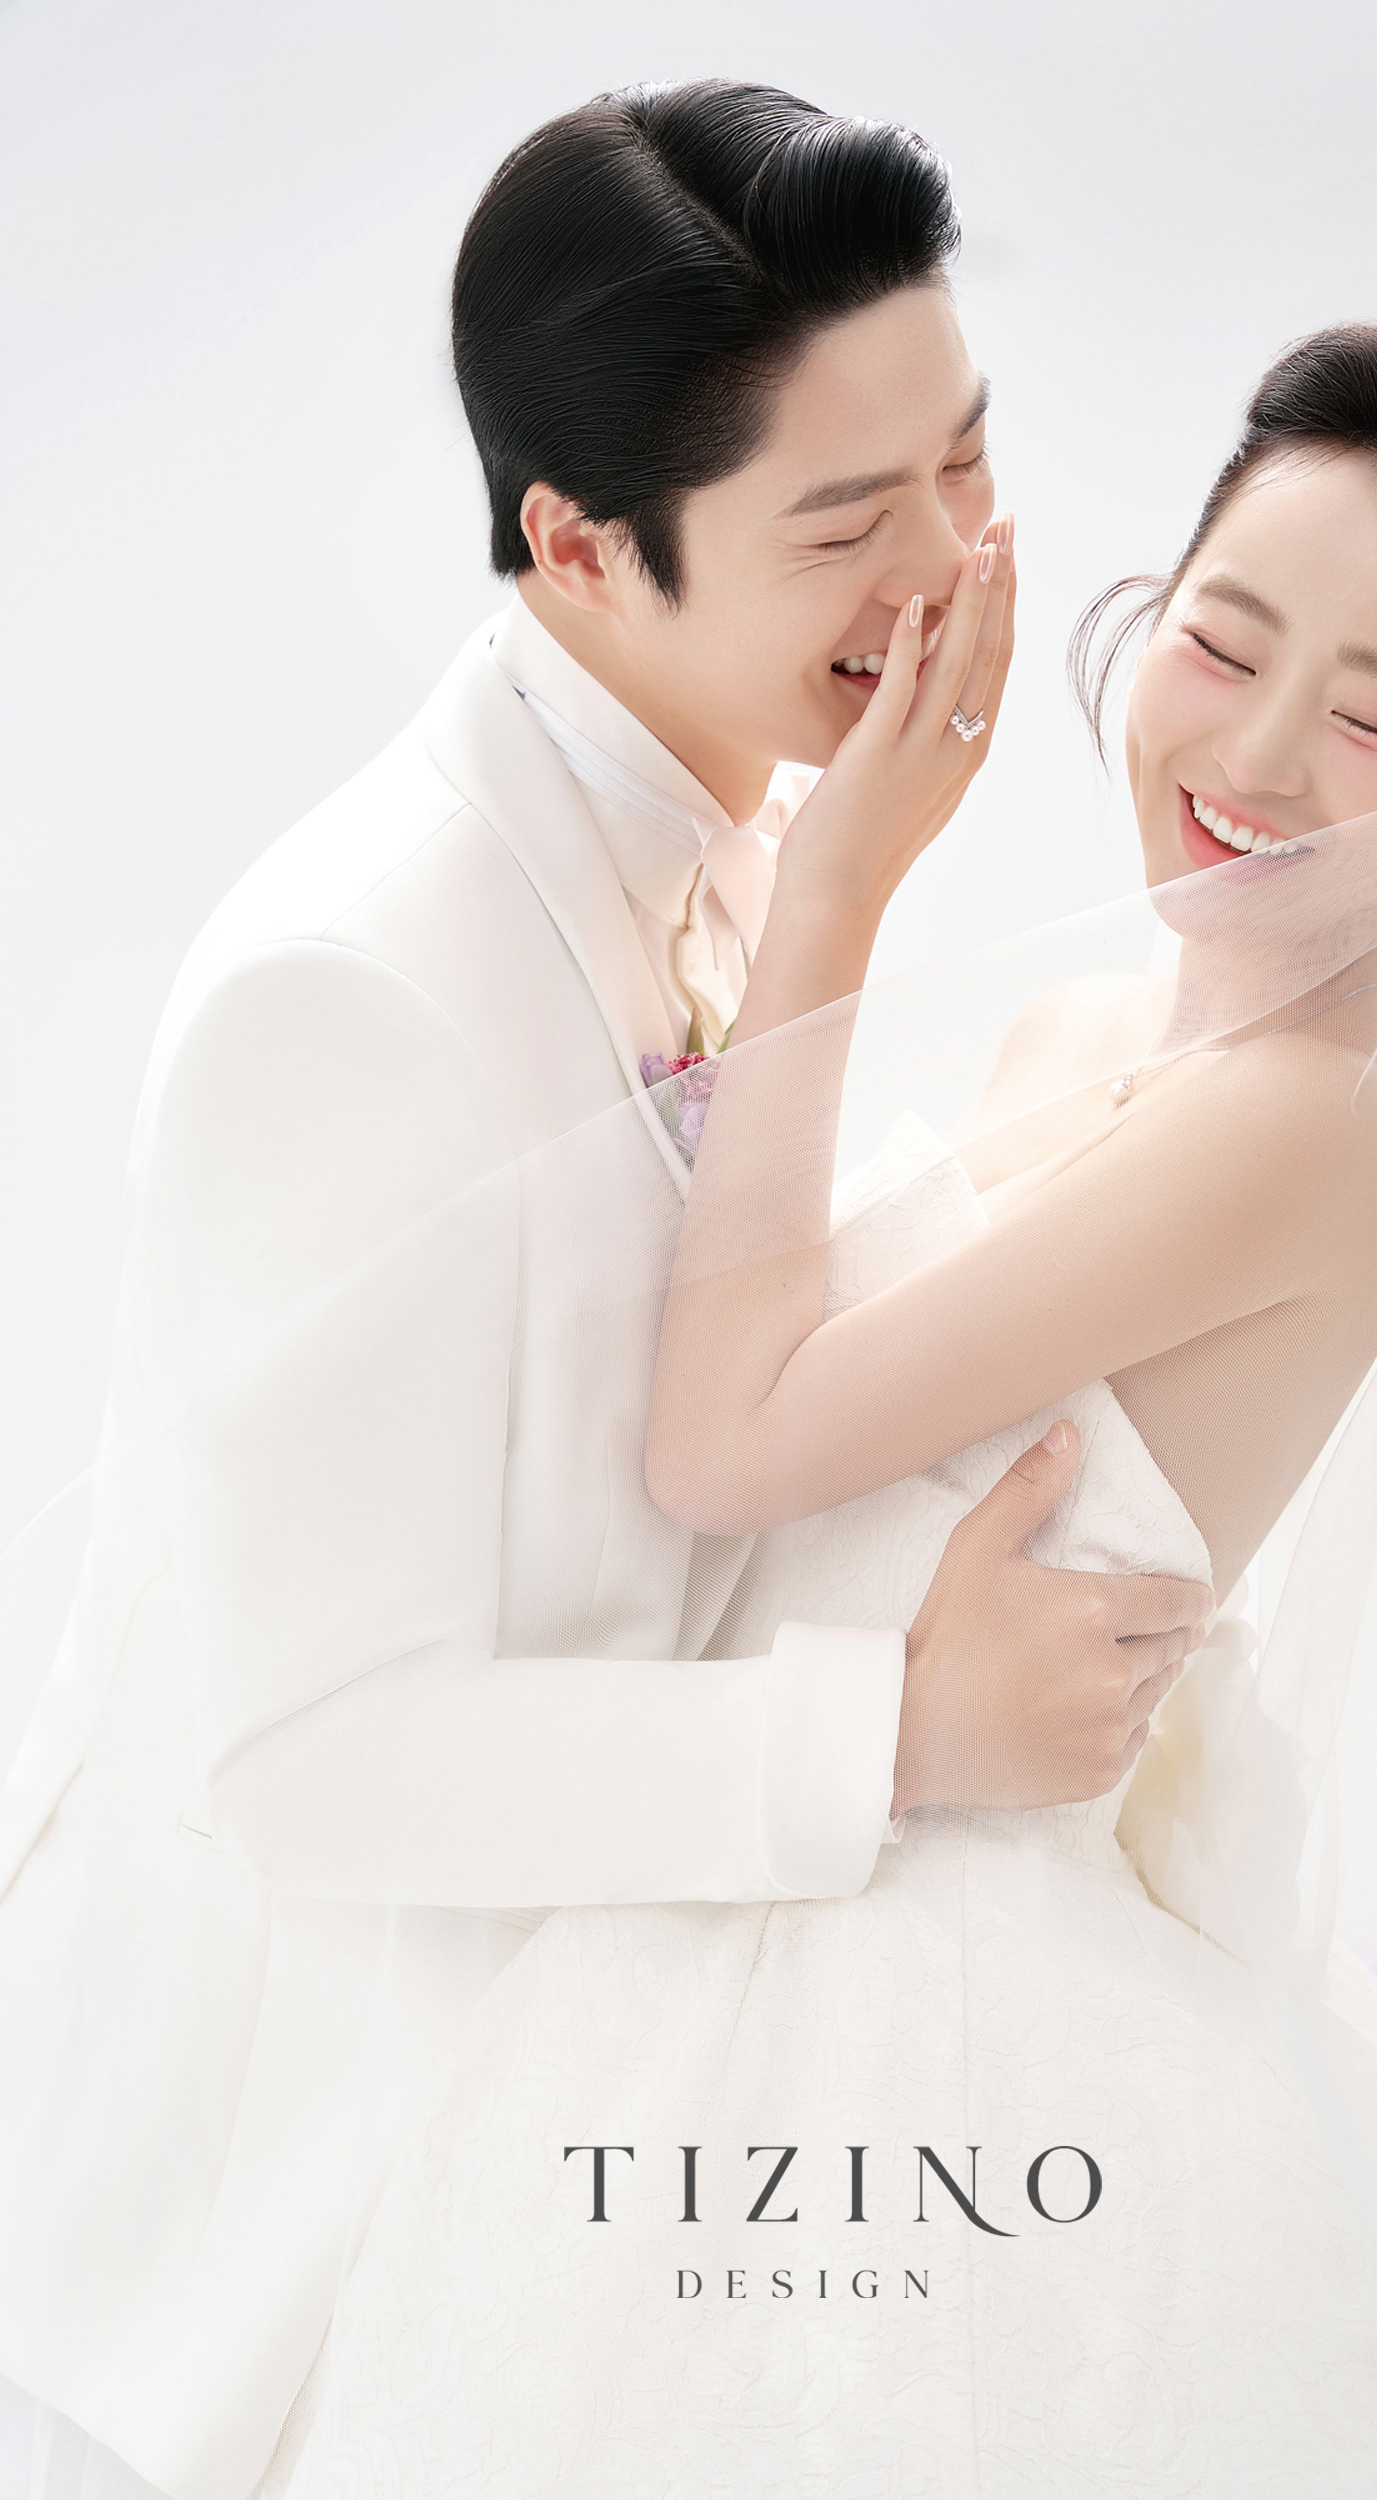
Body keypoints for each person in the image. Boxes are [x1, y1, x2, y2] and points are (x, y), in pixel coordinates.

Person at [281, 328, 1377, 2496]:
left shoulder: (1304, 1127)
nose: (1259, 752)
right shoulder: (1084, 1029)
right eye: (1225, 642)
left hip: (923, 1999)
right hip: (790, 1871)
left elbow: (724, 1447)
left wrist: (835, 887)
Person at [0, 82, 1207, 2500]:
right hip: (310, 2182)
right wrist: (896, 1730)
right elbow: (314, 1754)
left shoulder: (746, 808)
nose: (944, 573)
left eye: (966, 460)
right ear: (574, 544)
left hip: (626, 2012)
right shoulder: (347, 989)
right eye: (844, 523)